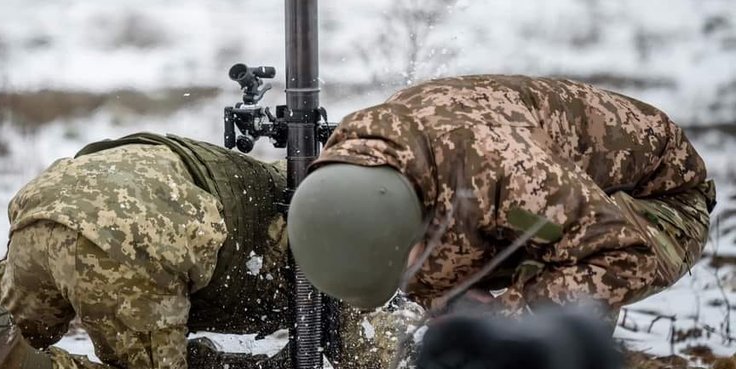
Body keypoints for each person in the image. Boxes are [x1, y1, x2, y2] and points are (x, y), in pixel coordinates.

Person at [0, 133, 403, 369]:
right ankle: (13, 364)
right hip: (132, 236)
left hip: (50, 202)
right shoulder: (358, 264)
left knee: (1, 325)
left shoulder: (307, 191)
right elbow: (375, 356)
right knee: (17, 354)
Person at [289, 75, 715, 322]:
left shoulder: (513, 176)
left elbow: (621, 254)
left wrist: (507, 317)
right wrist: (446, 300)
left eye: (404, 261)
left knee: (540, 315)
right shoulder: (360, 159)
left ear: (414, 223)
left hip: (661, 199)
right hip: (544, 195)